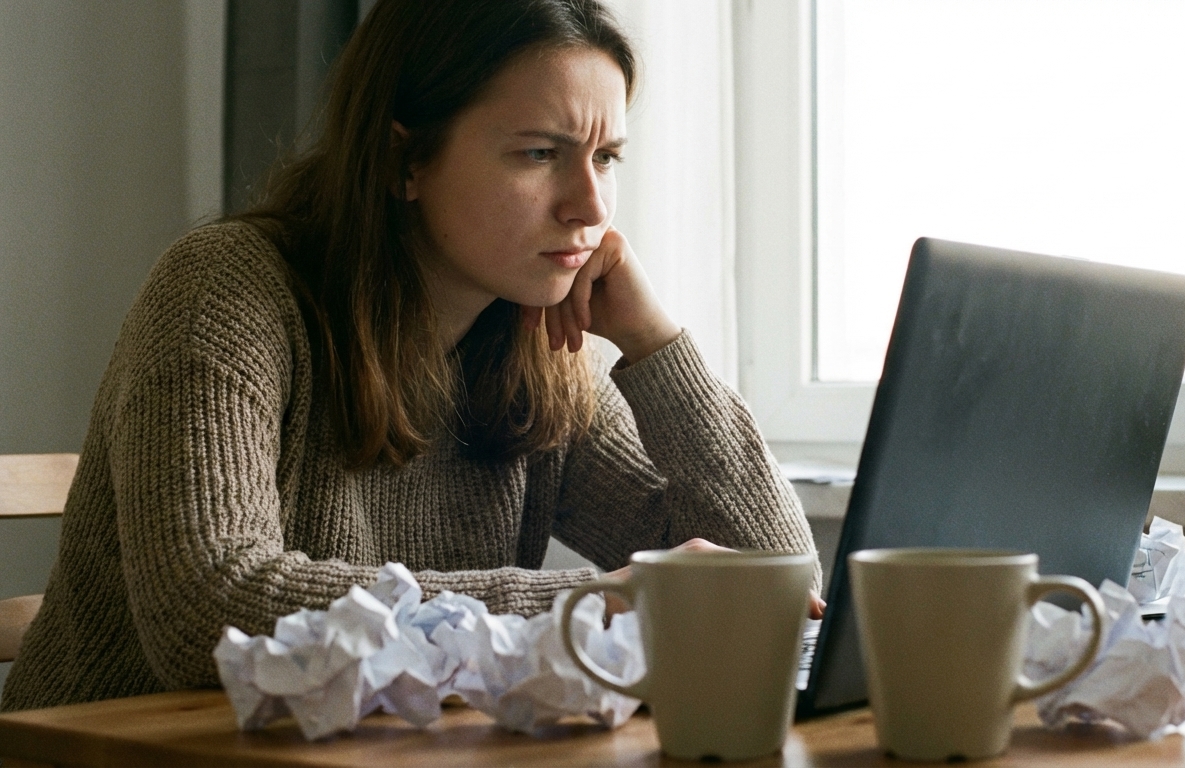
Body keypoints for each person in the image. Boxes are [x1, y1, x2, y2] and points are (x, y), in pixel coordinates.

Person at [1, 0, 819, 712]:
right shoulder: (226, 290)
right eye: (540, 153)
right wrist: (590, 602)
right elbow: (208, 609)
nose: (591, 206)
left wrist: (655, 345)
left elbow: (777, 580)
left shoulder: (540, 354)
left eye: (606, 157)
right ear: (404, 161)